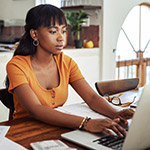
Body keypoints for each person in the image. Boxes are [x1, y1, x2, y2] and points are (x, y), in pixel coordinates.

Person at [6, 4, 134, 137]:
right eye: (53, 31)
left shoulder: (66, 62)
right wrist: (86, 123)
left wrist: (116, 113)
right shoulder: (17, 65)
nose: (61, 38)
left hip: (57, 128)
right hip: (24, 131)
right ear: (34, 34)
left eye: (63, 31)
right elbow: (36, 109)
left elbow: (91, 97)